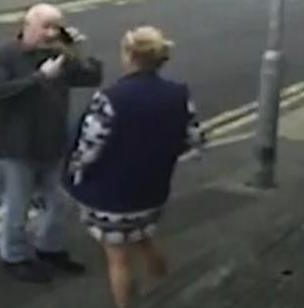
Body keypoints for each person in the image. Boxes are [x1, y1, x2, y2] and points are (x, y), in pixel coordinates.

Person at [64, 26, 204, 307]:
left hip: (111, 196)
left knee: (118, 258)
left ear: (129, 56)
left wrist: (73, 173)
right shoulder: (178, 94)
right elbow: (194, 139)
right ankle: (165, 286)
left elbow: (89, 148)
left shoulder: (111, 99)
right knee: (144, 237)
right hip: (152, 190)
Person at [0, 3, 102, 283]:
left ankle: (49, 249)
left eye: (56, 28)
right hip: (17, 147)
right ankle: (14, 257)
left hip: (52, 143)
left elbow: (92, 77)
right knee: (17, 207)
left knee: (58, 203)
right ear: (27, 26)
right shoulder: (1, 57)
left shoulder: (59, 54)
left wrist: (76, 51)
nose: (50, 34)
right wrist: (39, 78)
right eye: (45, 27)